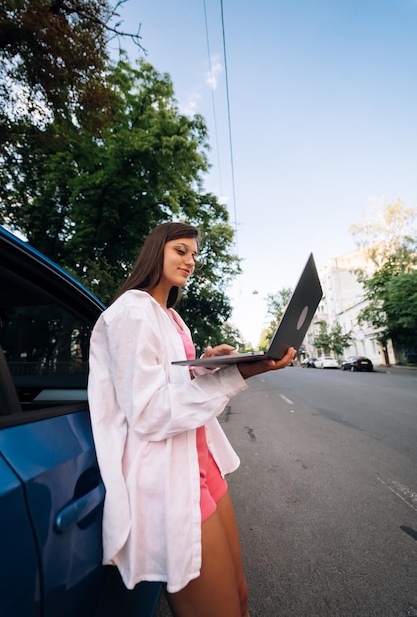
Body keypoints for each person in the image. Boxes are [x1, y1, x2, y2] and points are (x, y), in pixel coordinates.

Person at [88, 222, 296, 617]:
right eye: (181, 250)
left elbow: (169, 380)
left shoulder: (171, 317)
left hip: (203, 465)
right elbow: (148, 412)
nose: (190, 260)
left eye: (194, 255)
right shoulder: (132, 311)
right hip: (172, 477)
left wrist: (206, 366)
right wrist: (239, 374)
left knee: (240, 593)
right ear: (156, 251)